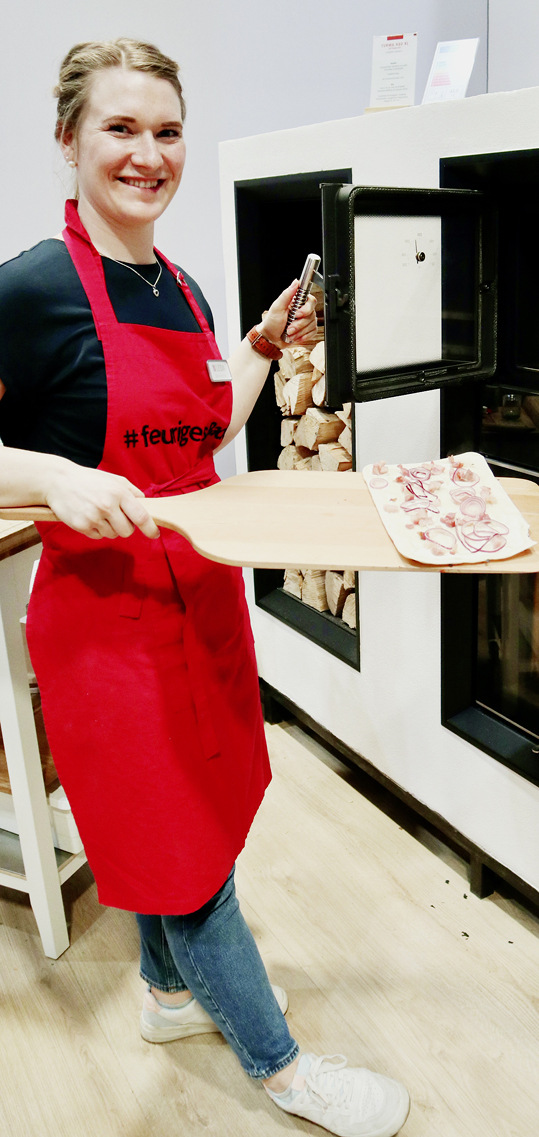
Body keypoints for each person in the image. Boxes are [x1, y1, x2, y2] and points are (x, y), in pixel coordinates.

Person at [0, 38, 410, 1137]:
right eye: (120, 129)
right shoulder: (30, 288)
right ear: (69, 140)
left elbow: (204, 429)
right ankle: (281, 1067)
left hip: (202, 602)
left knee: (189, 823)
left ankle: (167, 994)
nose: (149, 154)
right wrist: (52, 477)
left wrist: (265, 342)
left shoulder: (176, 285)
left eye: (168, 131)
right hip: (106, 629)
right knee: (182, 857)